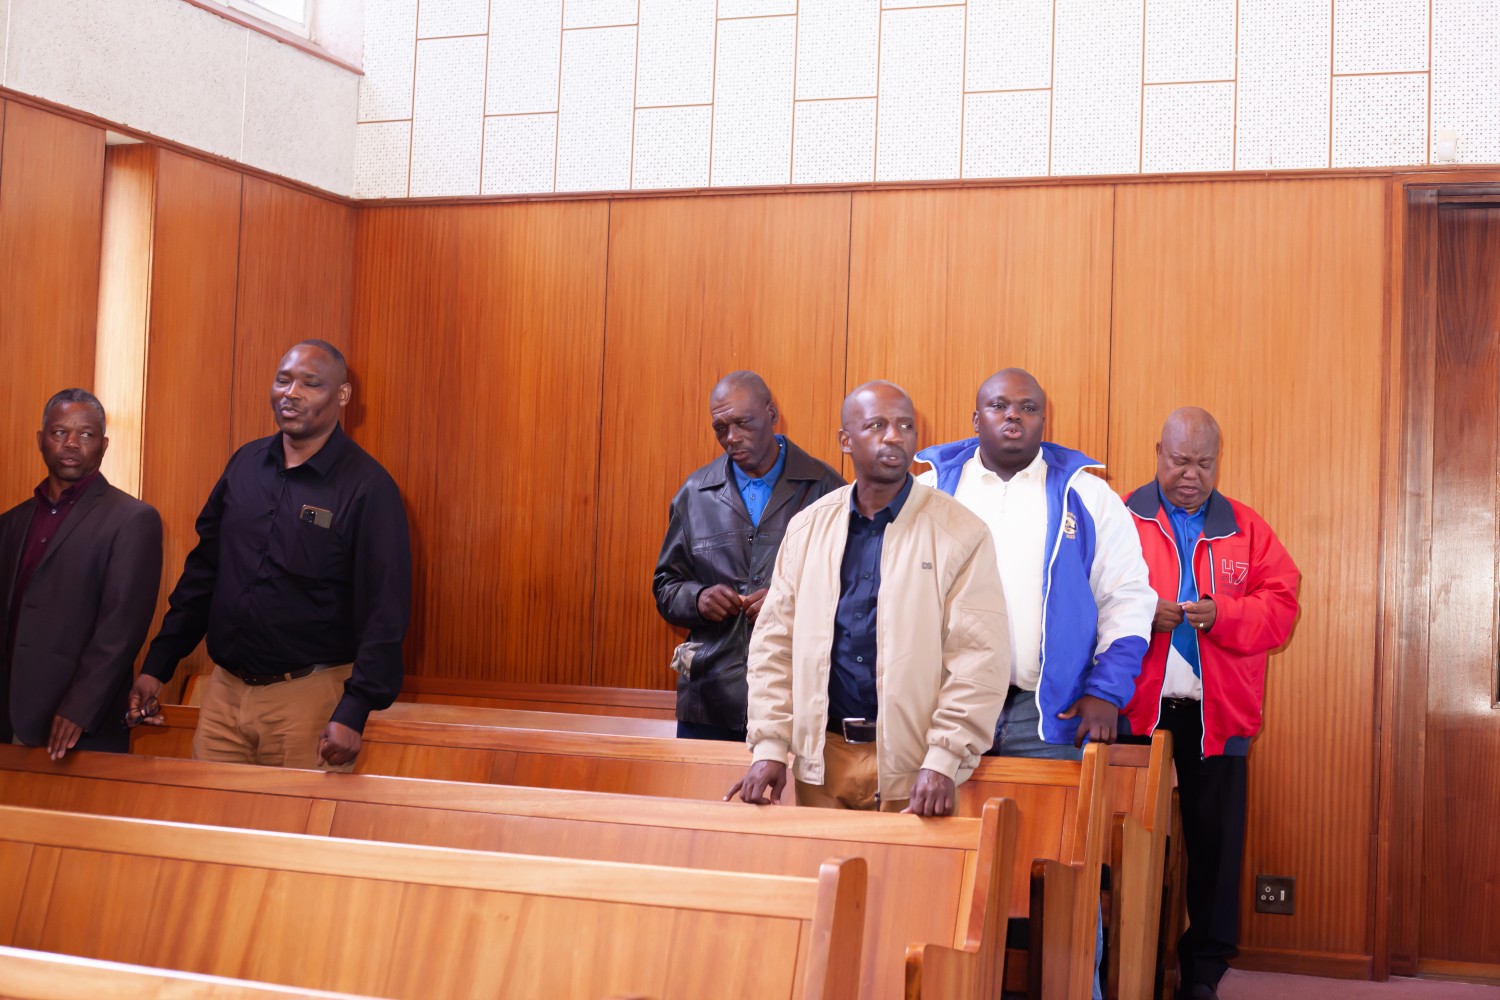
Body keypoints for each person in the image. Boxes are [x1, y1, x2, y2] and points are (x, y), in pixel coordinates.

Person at [726, 381, 1009, 815]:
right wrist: (769, 747)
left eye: (905, 426)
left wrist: (944, 759)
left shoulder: (960, 533)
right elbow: (774, 647)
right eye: (877, 425)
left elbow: (978, 658)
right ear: (845, 440)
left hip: (915, 766)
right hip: (822, 761)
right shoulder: (807, 529)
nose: (894, 436)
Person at [129, 341, 411, 771]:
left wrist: (355, 709)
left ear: (342, 395)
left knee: (295, 817)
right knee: (209, 814)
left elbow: (385, 609)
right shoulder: (244, 464)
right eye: (283, 380)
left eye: (310, 384)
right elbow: (204, 573)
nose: (291, 393)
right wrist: (157, 666)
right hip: (223, 695)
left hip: (310, 702)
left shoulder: (369, 487)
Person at [1119, 407, 1300, 1000]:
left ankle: (1203, 971)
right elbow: (1085, 596)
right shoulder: (1119, 516)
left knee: (1216, 847)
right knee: (1126, 842)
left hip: (1217, 711)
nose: (1191, 474)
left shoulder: (1246, 528)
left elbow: (1282, 608)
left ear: (1218, 461)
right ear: (1158, 453)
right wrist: (1141, 613)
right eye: (1179, 461)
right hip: (1134, 709)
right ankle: (1126, 961)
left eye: (1204, 463)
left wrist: (1225, 614)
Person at [916, 368, 1155, 759]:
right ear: (976, 419)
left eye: (1027, 408)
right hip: (943, 710)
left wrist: (1105, 691)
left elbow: (1127, 598)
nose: (1013, 415)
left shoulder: (1088, 495)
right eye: (999, 405)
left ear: (1044, 421)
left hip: (1049, 717)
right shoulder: (928, 493)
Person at [653, 371, 844, 742]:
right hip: (710, 702)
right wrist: (698, 598)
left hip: (796, 701)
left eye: (743, 423)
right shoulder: (694, 493)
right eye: (721, 428)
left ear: (772, 414)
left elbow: (853, 587)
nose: (732, 437)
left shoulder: (826, 488)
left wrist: (788, 602)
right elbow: (666, 586)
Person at [0, 389, 162, 760]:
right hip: (8, 720)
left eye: (86, 434)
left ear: (103, 445)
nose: (71, 443)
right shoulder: (10, 523)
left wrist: (79, 708)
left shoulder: (132, 520)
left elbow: (121, 628)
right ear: (40, 440)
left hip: (80, 727)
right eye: (59, 432)